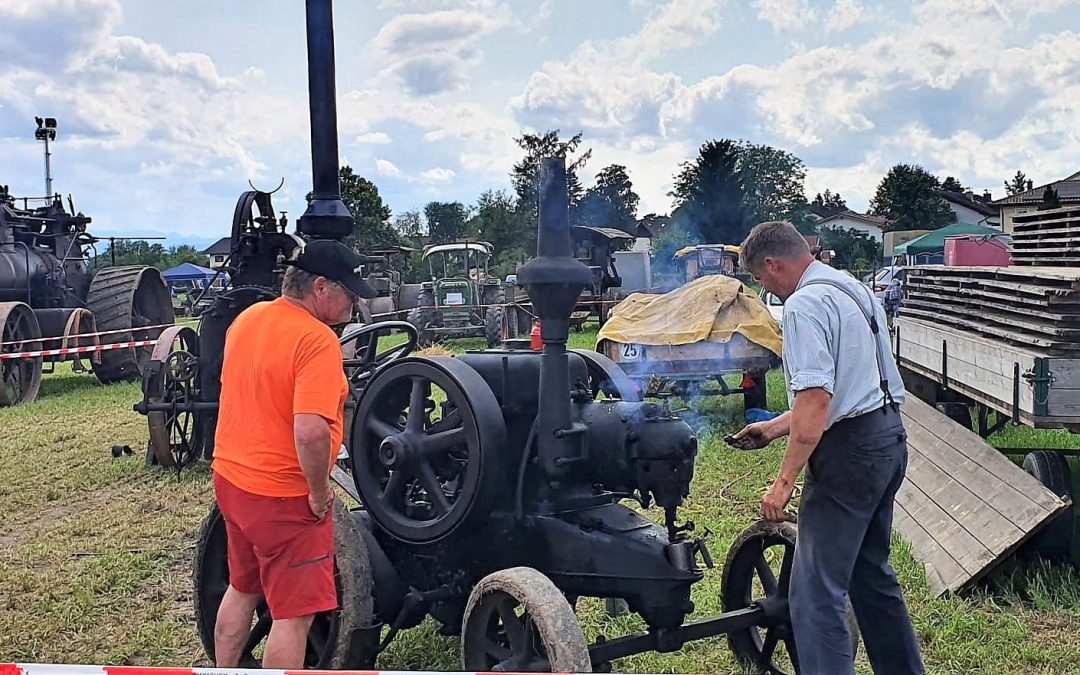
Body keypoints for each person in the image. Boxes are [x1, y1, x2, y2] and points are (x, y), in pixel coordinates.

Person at [730, 221, 924, 675]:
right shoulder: (851, 290)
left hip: (849, 458)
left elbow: (816, 400)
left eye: (762, 278)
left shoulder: (803, 306)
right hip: (887, 438)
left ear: (774, 264)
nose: (767, 290)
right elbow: (845, 391)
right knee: (870, 576)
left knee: (815, 594)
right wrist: (774, 428)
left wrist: (782, 484)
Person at [209, 239, 375, 668]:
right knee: (293, 616)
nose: (354, 303)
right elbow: (311, 431)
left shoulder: (248, 319)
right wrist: (319, 493)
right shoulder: (316, 340)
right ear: (320, 287)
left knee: (242, 589)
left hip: (232, 479)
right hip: (282, 495)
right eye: (349, 292)